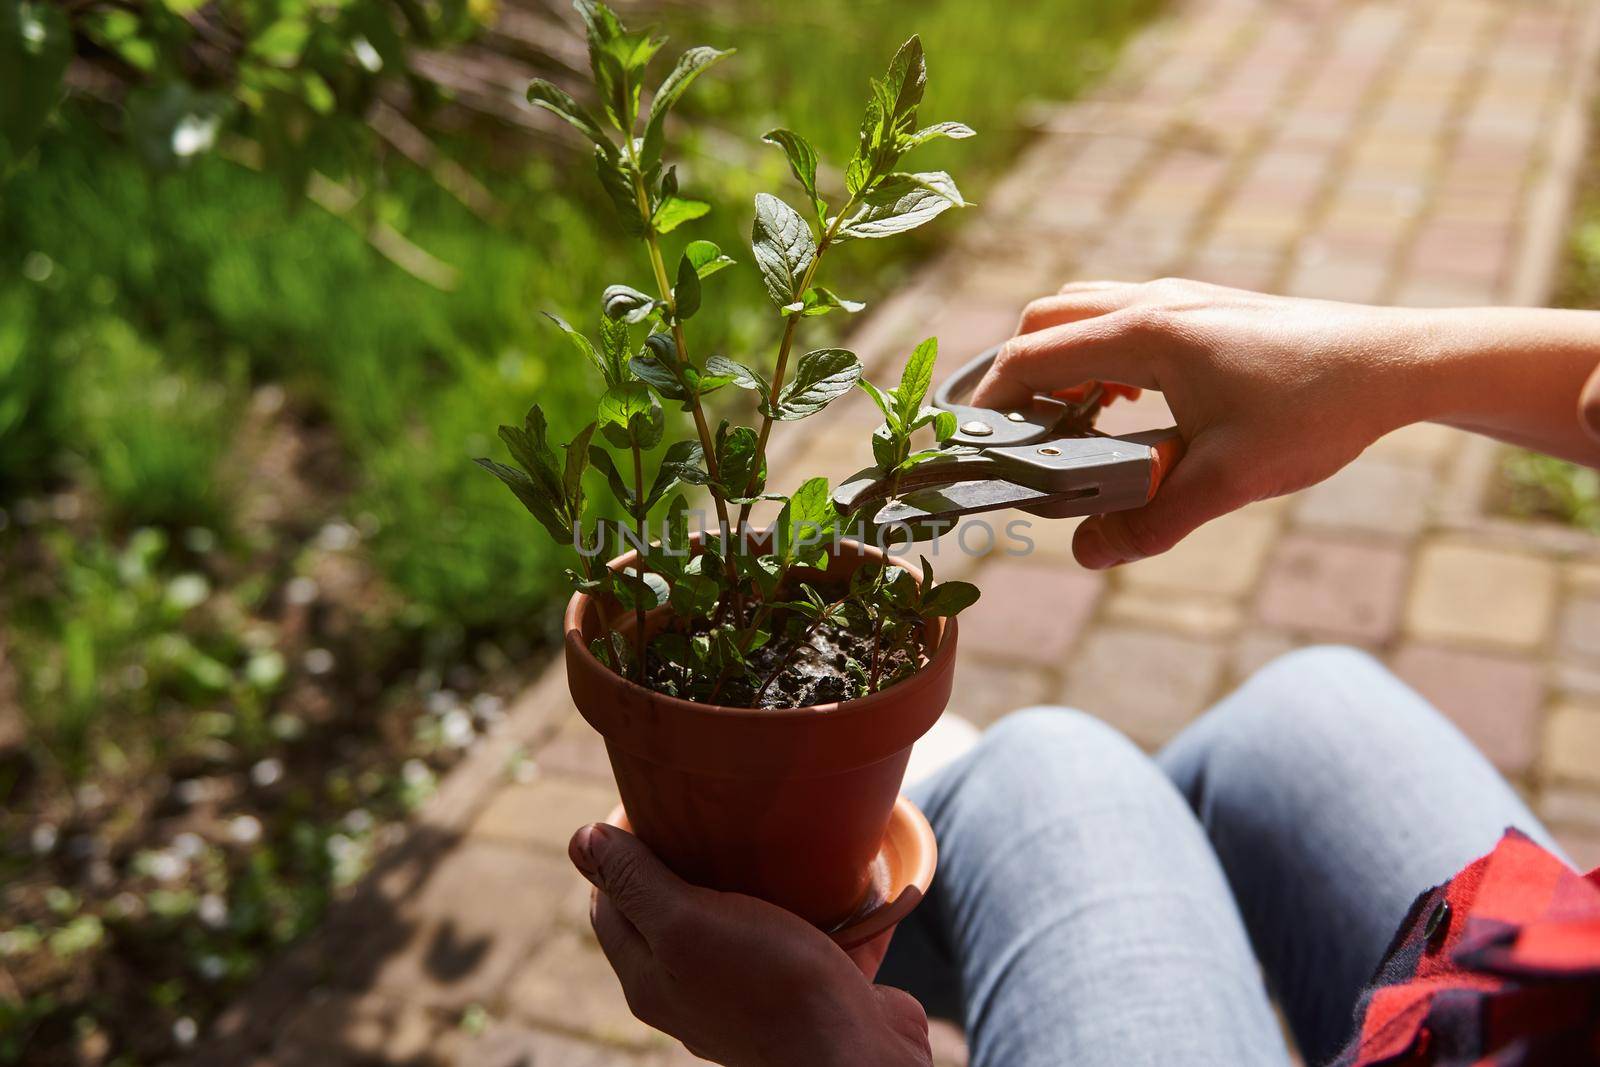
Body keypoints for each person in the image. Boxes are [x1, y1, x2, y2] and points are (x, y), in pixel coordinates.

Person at [566, 280, 1600, 1066]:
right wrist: (1394, 362)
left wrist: (830, 1048)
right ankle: (886, 838)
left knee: (1044, 764)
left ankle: (853, 899)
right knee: (1308, 705)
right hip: (1548, 983)